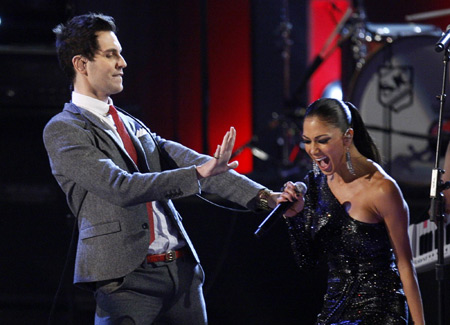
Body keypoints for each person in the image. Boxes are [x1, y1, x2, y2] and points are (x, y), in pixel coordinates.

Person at [43, 13, 278, 324]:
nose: (122, 63)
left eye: (121, 53)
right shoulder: (64, 129)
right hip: (126, 282)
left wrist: (265, 198)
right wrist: (197, 175)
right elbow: (120, 186)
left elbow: (198, 164)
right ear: (81, 64)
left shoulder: (129, 122)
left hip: (181, 275)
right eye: (111, 54)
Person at [278, 98, 425, 324]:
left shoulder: (381, 188)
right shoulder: (316, 182)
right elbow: (307, 261)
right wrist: (294, 217)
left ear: (347, 137)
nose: (313, 150)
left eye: (323, 140)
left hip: (380, 309)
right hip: (334, 309)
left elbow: (405, 265)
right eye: (307, 141)